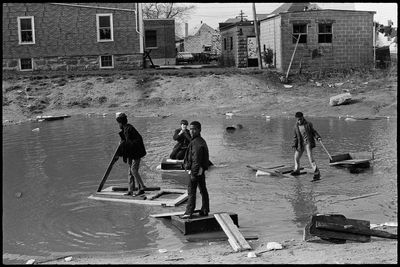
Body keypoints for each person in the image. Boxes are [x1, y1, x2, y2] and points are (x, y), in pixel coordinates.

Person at [181, 121, 210, 219]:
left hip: (196, 171)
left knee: (191, 191)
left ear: (199, 130)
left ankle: (189, 212)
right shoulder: (200, 140)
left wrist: (193, 174)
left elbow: (196, 160)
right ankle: (205, 210)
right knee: (203, 190)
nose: (192, 131)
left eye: (194, 129)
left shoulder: (197, 143)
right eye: (191, 129)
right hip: (200, 170)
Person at [115, 113, 147, 196]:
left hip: (137, 152)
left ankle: (142, 187)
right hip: (131, 153)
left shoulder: (129, 129)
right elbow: (127, 143)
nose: (118, 125)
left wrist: (122, 145)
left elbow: (129, 144)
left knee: (133, 170)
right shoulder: (126, 129)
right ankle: (130, 190)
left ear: (121, 123)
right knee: (130, 172)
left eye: (118, 123)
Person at [291, 112, 321, 181]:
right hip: (300, 144)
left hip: (308, 143)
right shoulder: (296, 126)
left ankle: (317, 172)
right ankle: (297, 170)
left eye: (300, 119)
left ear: (303, 117)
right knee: (296, 157)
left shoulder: (308, 124)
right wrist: (294, 144)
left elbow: (314, 132)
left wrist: (318, 137)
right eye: (298, 119)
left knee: (310, 158)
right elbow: (295, 137)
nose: (299, 121)